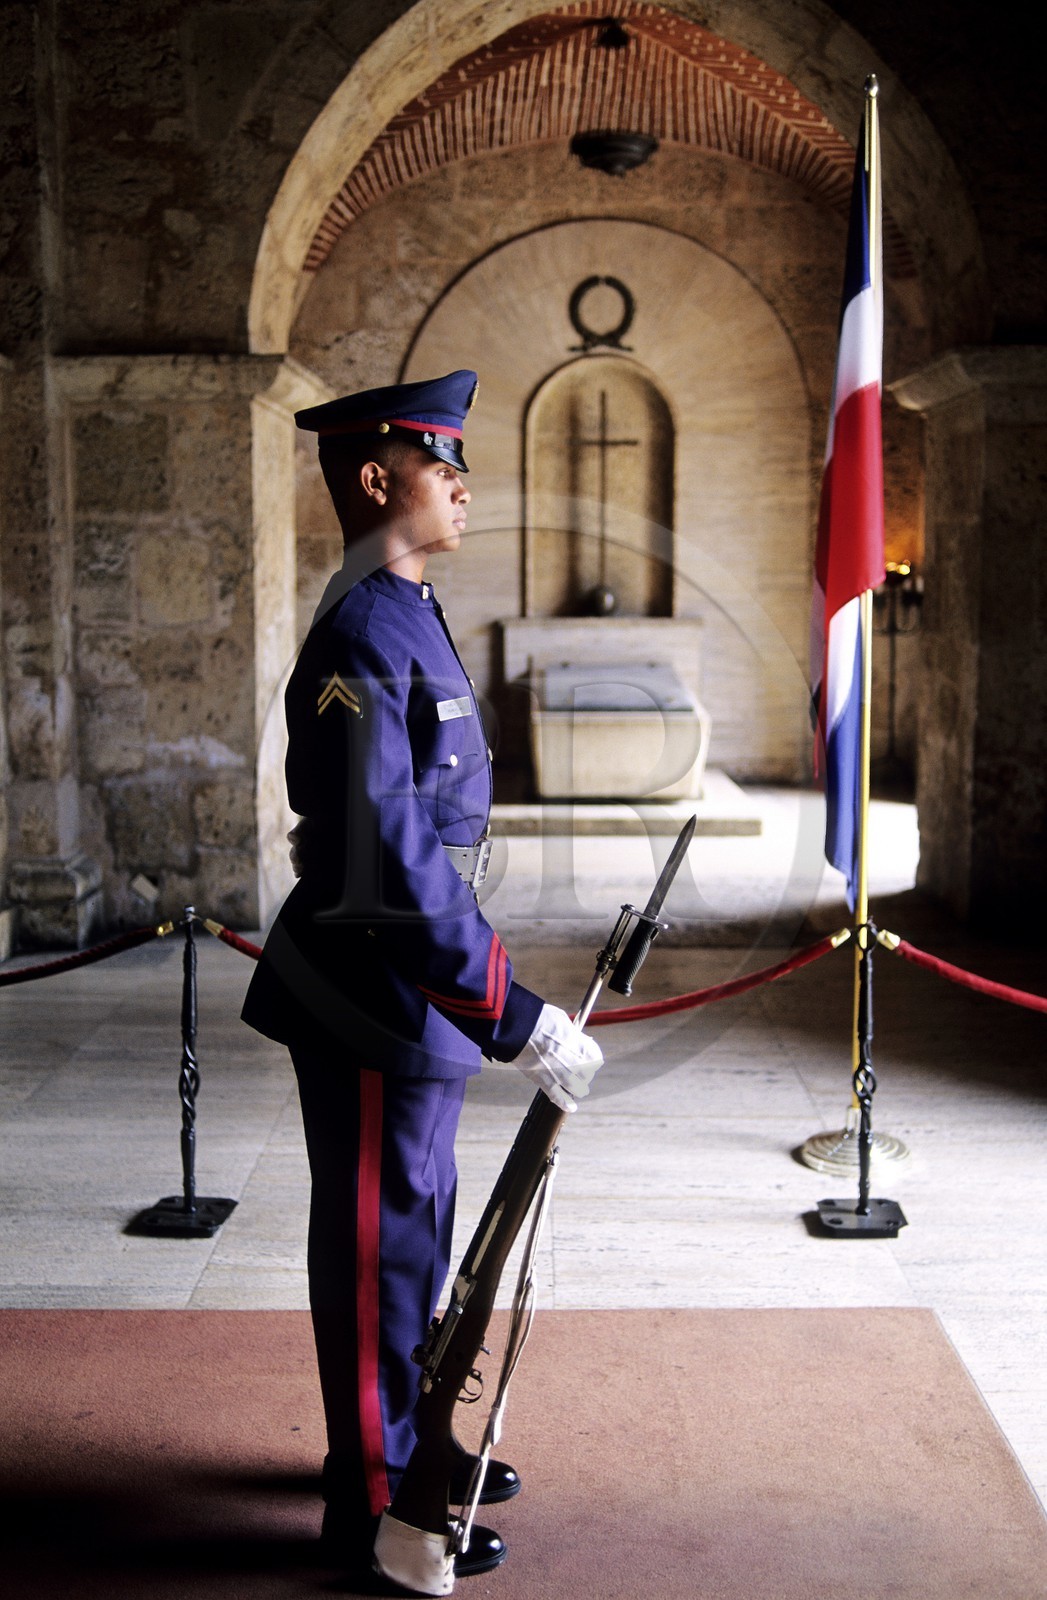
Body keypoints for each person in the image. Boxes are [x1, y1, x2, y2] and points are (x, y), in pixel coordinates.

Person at [241, 370, 603, 1585]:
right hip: (365, 987)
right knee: (376, 1251)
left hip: (406, 988)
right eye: (437, 456)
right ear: (375, 477)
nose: (460, 476)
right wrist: (513, 1009)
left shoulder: (406, 605)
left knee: (420, 1232)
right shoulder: (358, 631)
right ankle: (375, 1516)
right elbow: (384, 856)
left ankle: (402, 1440)